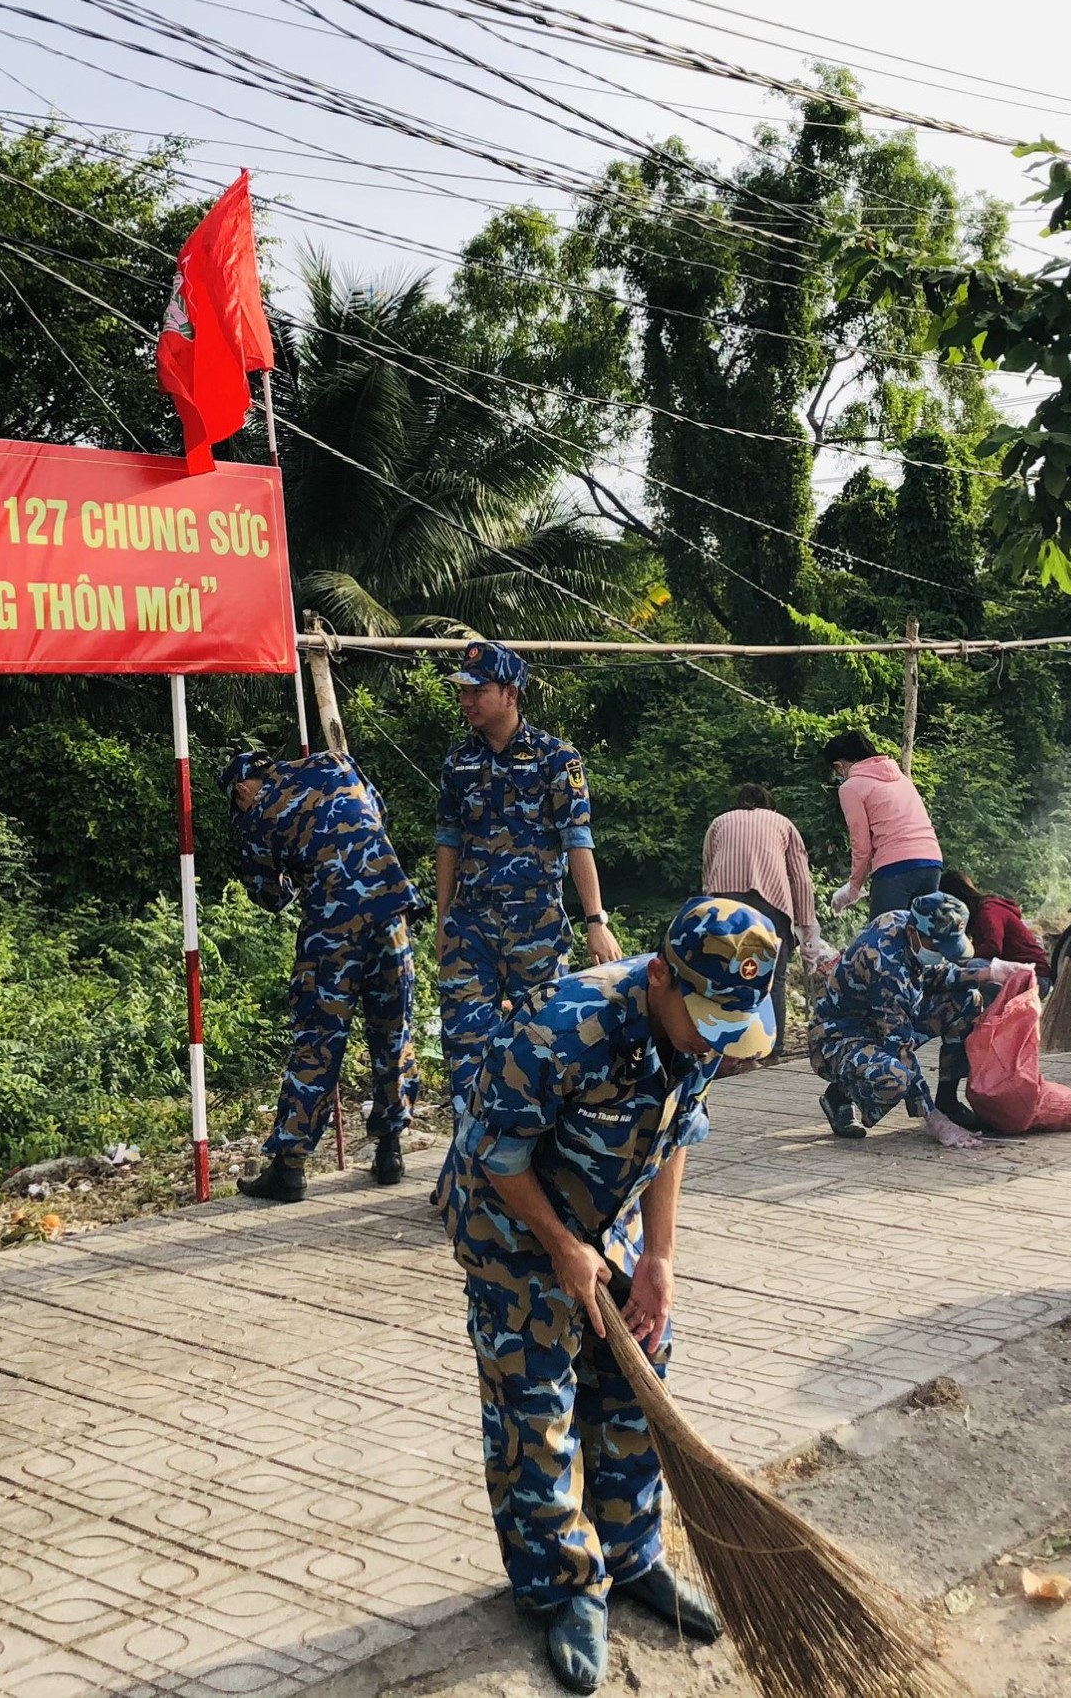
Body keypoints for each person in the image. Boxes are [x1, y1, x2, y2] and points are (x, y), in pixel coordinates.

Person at [446, 897, 776, 1693]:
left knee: (638, 1374)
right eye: (706, 1022)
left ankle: (632, 1557)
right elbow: (497, 1153)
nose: (716, 1042)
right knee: (537, 1409)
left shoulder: (705, 1022)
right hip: (512, 1228)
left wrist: (658, 1256)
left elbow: (675, 1135)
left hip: (612, 1213)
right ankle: (563, 1586)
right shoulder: (562, 1028)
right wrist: (562, 1248)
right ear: (660, 976)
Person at [435, 641, 622, 1132]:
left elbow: (578, 840)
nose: (468, 700)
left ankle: (532, 1163)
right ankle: (471, 1165)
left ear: (511, 693)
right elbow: (448, 841)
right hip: (470, 923)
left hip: (535, 922)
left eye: (479, 690)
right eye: (463, 691)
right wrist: (443, 919)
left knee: (538, 1041)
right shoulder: (458, 762)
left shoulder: (556, 758)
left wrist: (595, 921)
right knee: (464, 1046)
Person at [223, 746, 421, 1202]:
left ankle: (290, 1167)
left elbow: (272, 897)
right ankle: (390, 1148)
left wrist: (297, 868)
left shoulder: (256, 819)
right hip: (391, 909)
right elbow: (378, 811)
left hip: (332, 930)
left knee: (317, 1038)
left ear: (240, 790)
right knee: (393, 1029)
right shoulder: (337, 762)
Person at [810, 891, 996, 1144]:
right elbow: (900, 1045)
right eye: (937, 946)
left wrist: (989, 973)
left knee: (967, 999)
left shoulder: (905, 924)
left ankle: (948, 1101)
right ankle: (841, 1094)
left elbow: (931, 975)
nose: (941, 953)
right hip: (839, 1037)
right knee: (895, 1077)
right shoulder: (884, 963)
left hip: (882, 1023)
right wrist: (934, 1121)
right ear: (914, 932)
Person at [700, 783, 831, 1048]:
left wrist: (706, 913)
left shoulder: (719, 823)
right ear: (770, 806)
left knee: (726, 976)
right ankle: (774, 1049)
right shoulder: (782, 823)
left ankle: (728, 1047)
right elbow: (801, 879)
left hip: (725, 905)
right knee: (775, 978)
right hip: (771, 905)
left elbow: (707, 870)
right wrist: (806, 924)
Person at [932, 869, 1046, 1124]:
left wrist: (959, 962)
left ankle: (954, 1094)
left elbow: (992, 947)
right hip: (1017, 975)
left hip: (1030, 977)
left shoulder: (987, 910)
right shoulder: (988, 908)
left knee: (968, 983)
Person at [820, 728, 942, 917]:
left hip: (896, 867)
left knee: (884, 936)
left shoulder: (851, 787)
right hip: (932, 862)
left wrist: (853, 888)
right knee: (919, 936)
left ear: (839, 766)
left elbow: (861, 846)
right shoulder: (900, 778)